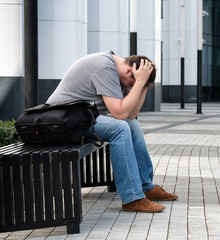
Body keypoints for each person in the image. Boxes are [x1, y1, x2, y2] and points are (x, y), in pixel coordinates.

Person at [47, 51, 178, 213]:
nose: (130, 88)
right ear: (129, 71)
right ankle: (132, 198)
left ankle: (145, 186)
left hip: (82, 119)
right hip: (65, 121)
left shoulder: (118, 73)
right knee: (120, 128)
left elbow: (130, 115)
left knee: (133, 125)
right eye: (131, 84)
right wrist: (139, 82)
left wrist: (143, 84)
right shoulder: (104, 67)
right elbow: (120, 114)